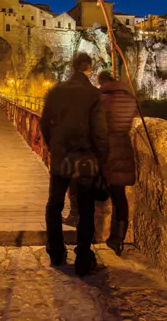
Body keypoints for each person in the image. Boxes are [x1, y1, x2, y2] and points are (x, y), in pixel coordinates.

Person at [41, 53, 109, 276]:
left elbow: (44, 124)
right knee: (86, 209)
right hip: (85, 157)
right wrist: (102, 158)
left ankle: (56, 251)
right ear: (89, 69)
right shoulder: (93, 94)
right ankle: (82, 257)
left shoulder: (56, 91)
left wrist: (54, 146)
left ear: (72, 67)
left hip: (61, 155)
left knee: (55, 204)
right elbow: (100, 132)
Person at [97, 71, 139, 256]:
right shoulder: (128, 98)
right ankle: (118, 239)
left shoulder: (101, 99)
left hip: (105, 150)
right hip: (123, 148)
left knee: (95, 190)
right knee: (119, 196)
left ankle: (92, 235)